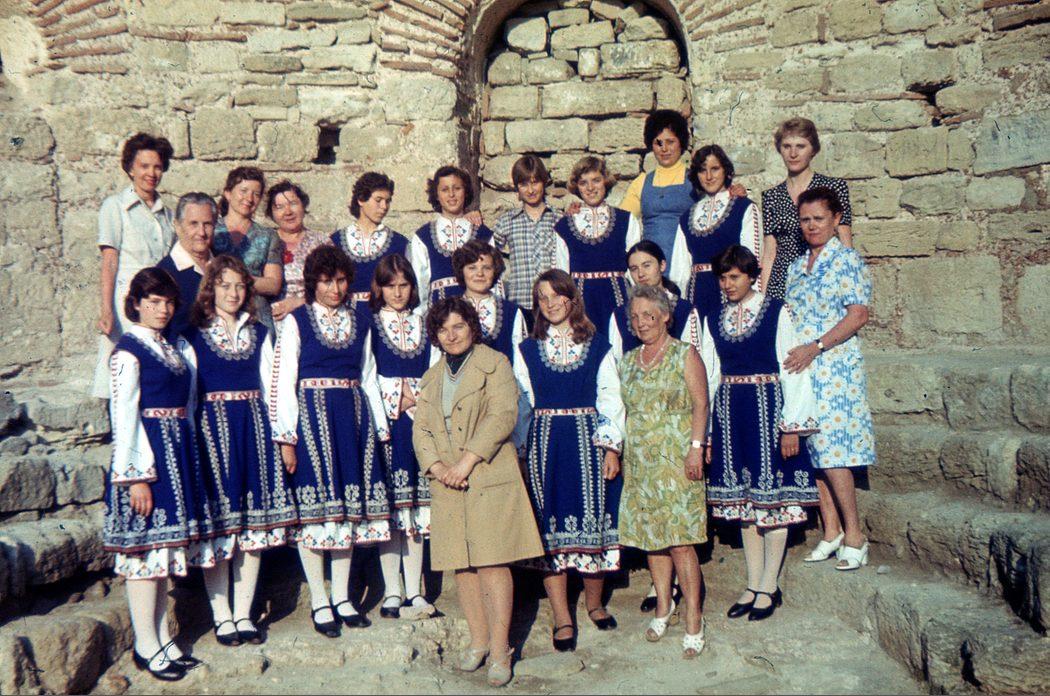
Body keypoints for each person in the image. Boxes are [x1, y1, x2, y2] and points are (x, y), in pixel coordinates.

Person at [412, 298, 543, 687]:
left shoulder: (495, 363)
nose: (451, 335)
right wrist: (438, 468)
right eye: (443, 329)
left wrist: (466, 462)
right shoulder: (432, 377)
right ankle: (479, 641)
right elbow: (422, 428)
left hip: (486, 473)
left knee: (491, 563)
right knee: (462, 565)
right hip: (447, 482)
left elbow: (503, 415)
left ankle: (501, 650)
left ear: (472, 326)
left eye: (458, 326)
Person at [103, 268, 222, 681]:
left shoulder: (172, 346)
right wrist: (137, 477)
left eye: (168, 303)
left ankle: (161, 638)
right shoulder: (128, 351)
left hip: (176, 456)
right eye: (153, 302)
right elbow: (124, 416)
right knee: (145, 557)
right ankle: (144, 644)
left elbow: (187, 405)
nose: (162, 310)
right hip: (148, 460)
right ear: (135, 304)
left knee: (162, 557)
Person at [270, 246, 392, 636]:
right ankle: (320, 601)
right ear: (313, 283)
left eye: (340, 280)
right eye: (326, 281)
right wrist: (286, 438)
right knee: (315, 512)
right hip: (311, 423)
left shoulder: (362, 321)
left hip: (352, 421)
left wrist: (380, 430)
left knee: (345, 512)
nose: (335, 289)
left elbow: (368, 376)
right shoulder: (297, 322)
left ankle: (342, 596)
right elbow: (283, 382)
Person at [179, 255, 296, 647]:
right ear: (210, 288)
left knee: (252, 526)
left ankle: (244, 613)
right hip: (212, 435)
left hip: (253, 432)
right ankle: (222, 616)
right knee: (219, 526)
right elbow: (189, 397)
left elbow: (272, 389)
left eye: (240, 286)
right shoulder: (193, 335)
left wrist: (281, 438)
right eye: (224, 285)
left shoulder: (260, 333)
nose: (232, 293)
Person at [700, 245, 819, 621]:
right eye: (723, 277)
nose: (728, 284)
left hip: (768, 410)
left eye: (735, 277)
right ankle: (752, 584)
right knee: (745, 505)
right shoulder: (713, 318)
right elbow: (709, 375)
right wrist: (707, 432)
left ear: (752, 276)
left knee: (772, 502)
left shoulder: (775, 311)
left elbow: (792, 368)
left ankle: (769, 586)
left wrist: (791, 427)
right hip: (730, 413)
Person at [514, 270, 625, 652]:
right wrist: (521, 454)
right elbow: (522, 405)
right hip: (546, 444)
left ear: (571, 298)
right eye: (542, 298)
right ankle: (562, 616)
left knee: (594, 520)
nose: (550, 303)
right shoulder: (528, 349)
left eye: (556, 295)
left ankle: (594, 604)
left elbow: (611, 397)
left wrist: (612, 448)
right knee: (552, 528)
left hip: (588, 442)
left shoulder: (598, 345)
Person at [783, 187, 875, 571]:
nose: (811, 226)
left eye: (819, 218)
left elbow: (858, 315)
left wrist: (816, 346)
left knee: (834, 451)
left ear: (836, 219)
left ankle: (855, 535)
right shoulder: (796, 266)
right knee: (814, 451)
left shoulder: (847, 260)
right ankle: (831, 531)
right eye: (805, 219)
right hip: (803, 369)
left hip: (834, 365)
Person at [618, 284, 710, 659]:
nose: (641, 322)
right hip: (641, 463)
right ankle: (663, 606)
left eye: (649, 315)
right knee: (653, 539)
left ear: (666, 317)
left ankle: (693, 617)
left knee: (681, 541)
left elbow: (701, 404)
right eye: (635, 317)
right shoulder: (628, 360)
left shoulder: (684, 354)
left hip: (678, 461)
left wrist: (696, 448)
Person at [368, 254, 439, 621]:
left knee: (416, 508)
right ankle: (392, 591)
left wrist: (417, 397)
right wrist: (399, 394)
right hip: (388, 423)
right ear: (379, 288)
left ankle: (415, 590)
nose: (397, 293)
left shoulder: (425, 324)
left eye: (404, 285)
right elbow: (367, 372)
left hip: (419, 422)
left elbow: (437, 368)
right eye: (390, 285)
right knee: (393, 510)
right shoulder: (370, 323)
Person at [92, 133, 176, 398]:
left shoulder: (168, 214)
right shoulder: (115, 206)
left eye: (157, 167)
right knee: (124, 370)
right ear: (130, 168)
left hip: (158, 302)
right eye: (144, 166)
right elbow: (109, 262)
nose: (151, 173)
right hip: (127, 302)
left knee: (153, 368)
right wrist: (107, 309)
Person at [760, 117, 853, 299]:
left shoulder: (834, 188)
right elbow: (770, 253)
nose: (793, 153)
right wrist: (763, 299)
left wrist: (848, 289)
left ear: (813, 150)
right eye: (787, 146)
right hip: (782, 284)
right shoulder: (771, 196)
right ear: (779, 149)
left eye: (800, 146)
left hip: (823, 279)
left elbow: (845, 241)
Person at [553, 156, 641, 330]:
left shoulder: (626, 220)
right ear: (577, 187)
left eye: (596, 180)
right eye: (583, 183)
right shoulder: (564, 226)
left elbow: (636, 267)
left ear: (605, 182)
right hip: (581, 303)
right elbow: (561, 275)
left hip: (618, 299)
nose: (590, 188)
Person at [677, 145, 762, 322]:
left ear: (725, 171)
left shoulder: (744, 208)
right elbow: (680, 271)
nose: (709, 177)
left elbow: (753, 261)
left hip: (731, 291)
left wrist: (754, 306)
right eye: (702, 170)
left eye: (715, 169)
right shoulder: (686, 217)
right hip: (698, 294)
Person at [410, 165, 493, 309]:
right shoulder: (423, 237)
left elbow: (494, 281)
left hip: (476, 311)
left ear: (465, 191)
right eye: (444, 190)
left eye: (457, 188)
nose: (451, 195)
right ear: (436, 195)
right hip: (438, 312)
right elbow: (420, 283)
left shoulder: (483, 234)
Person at [213, 167, 284, 331]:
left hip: (256, 315)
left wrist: (236, 281)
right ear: (228, 193)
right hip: (217, 313)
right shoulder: (212, 230)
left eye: (256, 194)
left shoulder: (268, 236)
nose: (249, 198)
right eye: (243, 191)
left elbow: (273, 284)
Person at [331, 172, 414, 309]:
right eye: (378, 200)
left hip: (386, 315)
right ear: (361, 199)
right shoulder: (336, 241)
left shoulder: (400, 243)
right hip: (347, 315)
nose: (384, 206)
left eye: (387, 201)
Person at [609, 241, 702, 362]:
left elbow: (695, 361)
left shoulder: (684, 311)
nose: (641, 274)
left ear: (662, 265)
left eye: (646, 265)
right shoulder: (620, 315)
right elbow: (616, 363)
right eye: (634, 269)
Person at [492, 155, 560, 316]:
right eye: (524, 184)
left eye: (535, 182)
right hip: (519, 303)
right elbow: (488, 253)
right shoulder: (507, 221)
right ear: (517, 188)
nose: (530, 190)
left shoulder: (558, 219)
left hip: (552, 303)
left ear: (544, 182)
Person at [265, 180, 331, 323]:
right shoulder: (264, 241)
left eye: (293, 203)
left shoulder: (321, 243)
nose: (288, 212)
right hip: (270, 318)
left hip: (311, 316)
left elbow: (333, 287)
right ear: (271, 213)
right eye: (279, 207)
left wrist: (300, 302)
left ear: (303, 205)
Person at [451, 240, 528, 362]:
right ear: (462, 271)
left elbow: (520, 360)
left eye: (486, 268)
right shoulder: (449, 310)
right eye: (472, 268)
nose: (480, 273)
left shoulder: (511, 312)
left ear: (495, 271)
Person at [157, 193, 216, 340]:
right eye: (193, 224)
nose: (201, 232)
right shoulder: (163, 274)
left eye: (207, 224)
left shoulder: (224, 268)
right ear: (177, 226)